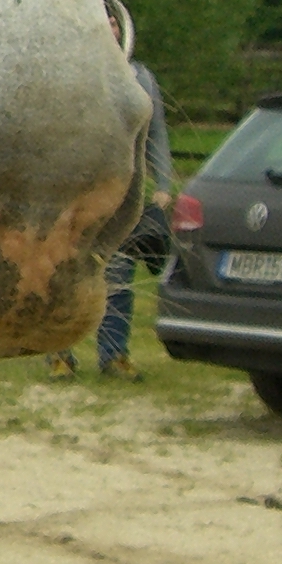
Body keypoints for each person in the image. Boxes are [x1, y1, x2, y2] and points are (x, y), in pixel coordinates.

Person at [51, 59, 174, 379]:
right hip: (70, 190)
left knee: (118, 273)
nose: (109, 25)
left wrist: (162, 184)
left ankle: (114, 354)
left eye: (113, 19)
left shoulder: (139, 76)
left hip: (119, 191)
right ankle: (59, 354)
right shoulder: (70, 66)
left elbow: (155, 131)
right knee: (63, 273)